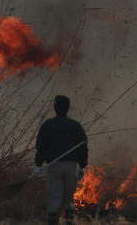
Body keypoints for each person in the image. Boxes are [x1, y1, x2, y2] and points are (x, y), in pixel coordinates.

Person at [33, 95, 89, 225]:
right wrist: (82, 166)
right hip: (71, 166)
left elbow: (41, 147)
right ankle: (69, 222)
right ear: (68, 108)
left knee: (53, 198)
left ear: (55, 108)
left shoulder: (48, 125)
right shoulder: (75, 126)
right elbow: (83, 147)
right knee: (69, 198)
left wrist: (38, 165)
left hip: (55, 166)